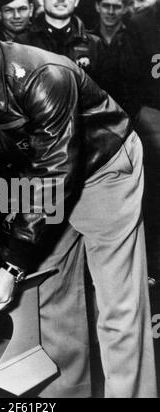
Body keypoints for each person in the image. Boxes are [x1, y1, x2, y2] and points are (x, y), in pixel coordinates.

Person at [0, 6, 157, 397]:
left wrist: (11, 267)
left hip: (102, 169)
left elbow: (53, 176)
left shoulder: (44, 76)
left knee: (118, 309)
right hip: (43, 177)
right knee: (49, 298)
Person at [122, 0, 160, 283]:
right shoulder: (140, 23)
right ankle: (154, 268)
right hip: (154, 119)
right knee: (153, 197)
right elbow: (128, 85)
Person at [15, 0, 101, 79]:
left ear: (76, 1)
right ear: (41, 1)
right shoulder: (23, 44)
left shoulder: (94, 44)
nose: (61, 0)